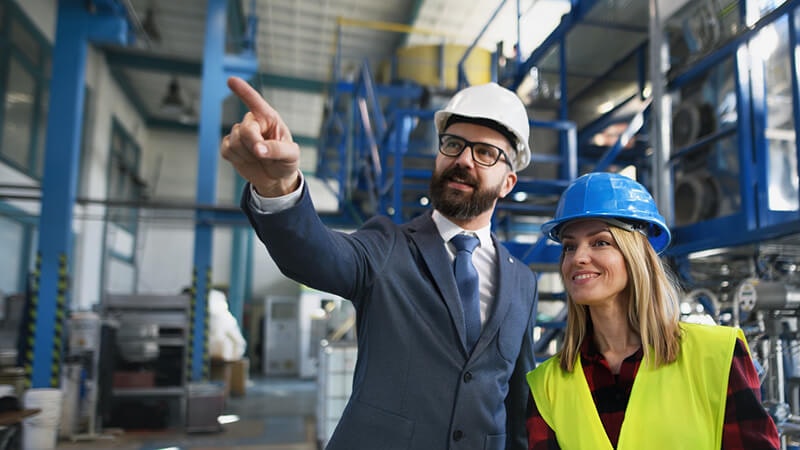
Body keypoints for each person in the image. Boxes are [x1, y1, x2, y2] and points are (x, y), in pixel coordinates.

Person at [221, 76, 538, 450]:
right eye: (453, 145)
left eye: (485, 152)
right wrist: (279, 189)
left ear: (508, 182)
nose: (464, 159)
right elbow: (315, 256)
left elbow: (519, 402)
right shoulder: (387, 245)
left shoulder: (523, 282)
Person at [525, 172, 780, 450]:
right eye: (569, 246)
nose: (578, 258)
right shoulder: (546, 385)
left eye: (600, 242)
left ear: (637, 254)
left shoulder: (718, 356)